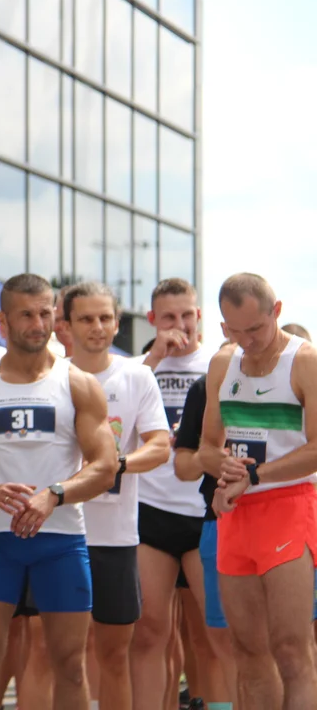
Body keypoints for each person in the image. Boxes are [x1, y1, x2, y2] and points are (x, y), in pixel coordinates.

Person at [0, 273, 118, 710]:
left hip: (61, 541)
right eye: (26, 315)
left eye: (45, 313)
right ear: (3, 321)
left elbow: (106, 467)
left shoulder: (78, 384)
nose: (39, 324)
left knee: (70, 664)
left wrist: (54, 494)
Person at [200, 273, 317, 709]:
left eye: (256, 329)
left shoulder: (304, 361)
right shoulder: (222, 364)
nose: (247, 340)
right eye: (235, 330)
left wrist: (257, 475)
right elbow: (206, 449)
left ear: (277, 312)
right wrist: (223, 474)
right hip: (237, 514)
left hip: (288, 508)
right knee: (248, 651)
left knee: (291, 648)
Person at [61, 283, 171, 710]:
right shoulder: (51, 374)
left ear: (118, 322)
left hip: (116, 537)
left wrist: (115, 465)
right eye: (86, 318)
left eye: (105, 317)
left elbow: (160, 445)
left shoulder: (136, 374)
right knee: (58, 654)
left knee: (113, 654)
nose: (97, 327)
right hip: (59, 532)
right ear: (66, 325)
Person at [130, 278, 220, 710]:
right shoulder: (137, 368)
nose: (179, 325)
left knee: (212, 632)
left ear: (199, 316)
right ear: (152, 320)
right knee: (149, 631)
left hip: (204, 510)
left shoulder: (219, 365)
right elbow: (117, 417)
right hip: (151, 509)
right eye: (168, 317)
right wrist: (154, 357)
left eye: (187, 315)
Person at [172, 339, 242, 710]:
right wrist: (213, 453)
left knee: (286, 644)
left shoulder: (296, 377)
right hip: (217, 524)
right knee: (219, 641)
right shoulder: (204, 388)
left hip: (283, 520)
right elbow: (184, 466)